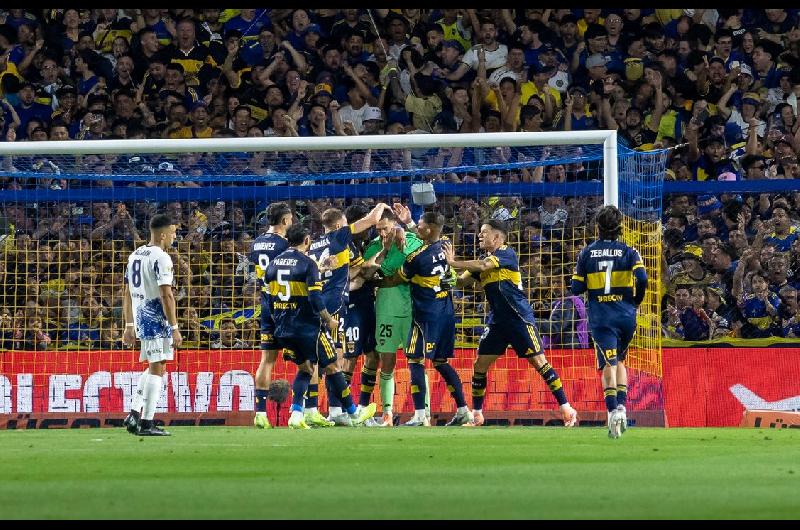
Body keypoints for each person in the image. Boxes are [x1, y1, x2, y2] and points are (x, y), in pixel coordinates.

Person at [443, 219, 578, 428]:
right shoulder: (482, 259)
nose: (480, 236)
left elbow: (483, 266)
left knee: (539, 363)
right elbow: (461, 281)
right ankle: (477, 414)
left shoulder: (506, 253)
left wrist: (453, 262)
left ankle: (567, 408)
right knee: (480, 365)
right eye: (479, 232)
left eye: (484, 232)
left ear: (497, 237)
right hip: (497, 321)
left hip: (519, 318)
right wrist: (446, 270)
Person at [265, 224, 376, 429]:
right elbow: (315, 297)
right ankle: (353, 412)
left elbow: (269, 300)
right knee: (333, 366)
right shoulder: (307, 263)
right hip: (308, 328)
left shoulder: (273, 264)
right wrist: (328, 319)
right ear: (306, 241)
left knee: (306, 368)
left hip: (283, 328)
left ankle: (297, 415)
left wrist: (322, 267)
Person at [381, 212, 470, 427]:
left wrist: (389, 256)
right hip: (446, 312)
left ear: (428, 229)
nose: (416, 228)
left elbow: (394, 279)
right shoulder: (446, 244)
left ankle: (420, 415)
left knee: (415, 360)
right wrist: (408, 222)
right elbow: (428, 243)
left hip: (424, 316)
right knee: (440, 361)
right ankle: (463, 410)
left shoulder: (415, 259)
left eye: (419, 225)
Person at [306, 202, 390, 424]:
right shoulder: (339, 237)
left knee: (321, 358)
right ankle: (336, 411)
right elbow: (371, 220)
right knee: (337, 358)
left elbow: (358, 269)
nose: (348, 226)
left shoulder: (313, 246)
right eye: (344, 224)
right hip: (334, 305)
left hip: (316, 304)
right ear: (337, 225)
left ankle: (313, 409)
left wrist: (362, 270)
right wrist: (381, 204)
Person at [571, 205, 648, 439]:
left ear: (598, 227)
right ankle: (623, 407)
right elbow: (642, 277)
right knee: (620, 360)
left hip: (602, 317)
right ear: (620, 227)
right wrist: (635, 300)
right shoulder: (630, 251)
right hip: (626, 315)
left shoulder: (586, 252)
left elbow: (576, 287)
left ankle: (613, 412)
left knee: (608, 364)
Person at [356, 205, 426, 426]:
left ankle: (422, 414)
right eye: (378, 230)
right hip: (385, 309)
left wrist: (410, 228)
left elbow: (428, 252)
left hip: (411, 311)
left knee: (416, 361)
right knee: (386, 362)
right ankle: (387, 414)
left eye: (385, 228)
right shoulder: (373, 247)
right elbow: (366, 275)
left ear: (394, 224)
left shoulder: (409, 240)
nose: (382, 233)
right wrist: (383, 254)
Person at [122, 214, 182, 436]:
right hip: (155, 319)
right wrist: (175, 328)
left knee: (155, 365)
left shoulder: (135, 255)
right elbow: (167, 295)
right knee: (158, 366)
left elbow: (127, 292)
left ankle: (134, 414)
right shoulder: (162, 257)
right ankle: (147, 423)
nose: (175, 237)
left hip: (140, 317)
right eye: (174, 232)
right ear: (163, 234)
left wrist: (129, 325)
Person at [249, 201, 297, 429]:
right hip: (285, 305)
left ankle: (259, 414)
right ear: (285, 220)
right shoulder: (285, 245)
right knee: (305, 360)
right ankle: (301, 412)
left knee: (267, 360)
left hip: (266, 303)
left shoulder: (256, 244)